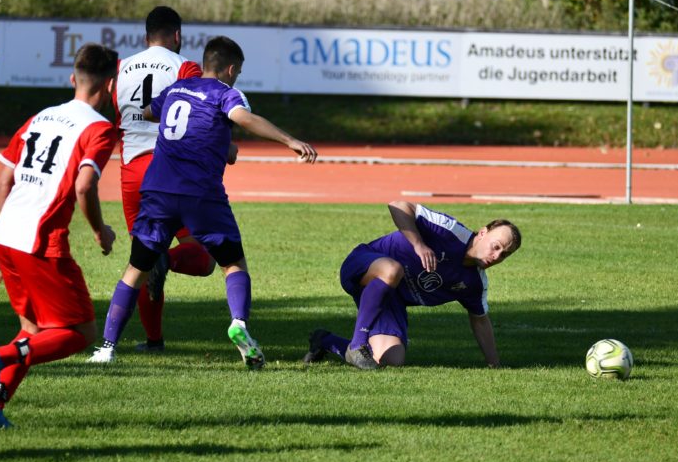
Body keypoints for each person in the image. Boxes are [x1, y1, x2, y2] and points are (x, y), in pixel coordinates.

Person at [88, 35, 317, 369]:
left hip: (158, 191)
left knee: (136, 269)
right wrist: (290, 140)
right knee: (233, 264)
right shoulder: (226, 93)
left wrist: (216, 141)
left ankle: (107, 348)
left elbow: (150, 112)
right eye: (238, 72)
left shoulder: (177, 89)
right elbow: (244, 118)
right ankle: (239, 324)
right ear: (231, 69)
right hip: (201, 193)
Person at [0, 43, 119, 428]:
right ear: (110, 84)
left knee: (32, 329)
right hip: (40, 241)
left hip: (8, 235)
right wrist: (100, 232)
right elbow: (84, 186)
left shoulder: (40, 117)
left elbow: (3, 183)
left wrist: (9, 236)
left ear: (73, 78)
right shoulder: (99, 129)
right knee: (81, 331)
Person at [109, 5, 215, 357]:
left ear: (146, 36)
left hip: (131, 173)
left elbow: (114, 116)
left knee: (141, 260)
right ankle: (166, 260)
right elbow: (199, 116)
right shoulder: (186, 67)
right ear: (177, 35)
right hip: (171, 169)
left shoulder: (120, 69)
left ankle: (153, 341)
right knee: (204, 257)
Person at [303, 201, 522, 369]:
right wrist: (418, 244)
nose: (497, 256)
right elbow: (398, 205)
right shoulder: (450, 231)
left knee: (391, 360)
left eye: (505, 254)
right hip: (362, 266)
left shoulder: (475, 283)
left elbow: (480, 320)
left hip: (389, 299)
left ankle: (325, 341)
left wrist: (494, 365)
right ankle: (358, 343)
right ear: (482, 233)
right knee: (393, 270)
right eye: (496, 246)